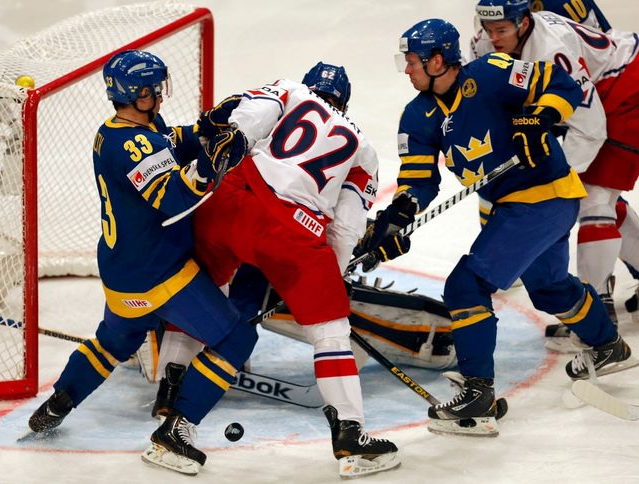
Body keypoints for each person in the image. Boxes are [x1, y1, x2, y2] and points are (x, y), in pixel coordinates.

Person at [362, 18, 634, 437]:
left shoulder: (491, 73)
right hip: (515, 205)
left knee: (465, 286)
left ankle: (478, 395)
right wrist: (396, 217)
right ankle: (607, 345)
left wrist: (540, 117)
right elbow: (418, 182)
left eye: (413, 60)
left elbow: (561, 82)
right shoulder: (417, 116)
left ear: (438, 60)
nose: (406, 69)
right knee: (549, 287)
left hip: (546, 194)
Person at [27, 50, 256, 475]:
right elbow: (173, 199)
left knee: (114, 342)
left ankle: (60, 402)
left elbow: (168, 144)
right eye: (154, 88)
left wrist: (205, 129)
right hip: (160, 273)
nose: (160, 95)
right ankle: (176, 431)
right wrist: (214, 164)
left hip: (122, 272)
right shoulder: (134, 143)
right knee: (237, 340)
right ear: (139, 93)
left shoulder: (120, 130)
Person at [183, 62, 403, 478]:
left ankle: (173, 381)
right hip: (293, 231)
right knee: (330, 330)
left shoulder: (289, 90)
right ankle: (350, 437)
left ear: (310, 86)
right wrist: (325, 283)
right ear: (345, 103)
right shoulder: (363, 150)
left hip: (232, 200)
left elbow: (246, 123)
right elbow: (345, 228)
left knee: (198, 282)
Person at [470, 0, 639, 328]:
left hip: (627, 86)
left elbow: (590, 127)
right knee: (602, 199)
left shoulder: (552, 50)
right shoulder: (484, 42)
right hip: (597, 91)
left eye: (501, 30)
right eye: (489, 29)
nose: (494, 37)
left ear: (522, 22)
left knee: (591, 198)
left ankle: (597, 308)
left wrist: (558, 179)